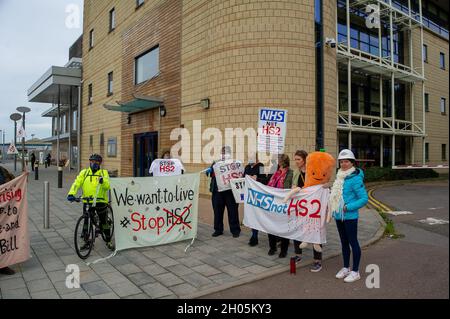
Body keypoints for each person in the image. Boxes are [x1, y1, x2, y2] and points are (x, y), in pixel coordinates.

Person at [329, 149, 368, 283]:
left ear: (352, 163)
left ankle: (355, 271)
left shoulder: (355, 178)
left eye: (346, 161)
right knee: (344, 243)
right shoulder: (340, 176)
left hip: (350, 216)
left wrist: (348, 207)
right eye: (341, 162)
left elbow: (364, 198)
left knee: (353, 243)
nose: (344, 164)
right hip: (339, 216)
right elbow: (337, 194)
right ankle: (346, 267)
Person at [67, 154, 114, 250]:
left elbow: (108, 185)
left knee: (104, 221)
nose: (94, 163)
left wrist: (103, 182)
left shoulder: (103, 173)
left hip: (100, 201)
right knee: (86, 220)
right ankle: (87, 240)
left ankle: (108, 240)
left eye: (96, 162)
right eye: (92, 161)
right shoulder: (84, 173)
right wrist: (71, 193)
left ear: (100, 163)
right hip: (87, 200)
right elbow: (77, 183)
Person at [206, 146, 241, 238]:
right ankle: (218, 229)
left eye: (226, 152)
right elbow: (210, 174)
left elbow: (239, 174)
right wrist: (209, 171)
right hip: (217, 191)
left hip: (230, 191)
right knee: (217, 211)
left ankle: (235, 230)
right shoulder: (216, 162)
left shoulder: (234, 163)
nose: (223, 154)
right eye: (222, 152)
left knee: (233, 211)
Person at [267, 154, 293, 258]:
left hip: (284, 203)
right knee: (270, 226)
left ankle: (284, 249)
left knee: (283, 227)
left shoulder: (291, 173)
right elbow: (269, 184)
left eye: (279, 160)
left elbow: (291, 186)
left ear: (284, 161)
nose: (278, 162)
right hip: (273, 203)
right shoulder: (276, 173)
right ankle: (272, 247)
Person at [244, 153, 269, 247]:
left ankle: (258, 235)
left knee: (258, 215)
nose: (250, 160)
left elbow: (265, 180)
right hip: (249, 195)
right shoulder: (247, 167)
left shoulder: (261, 166)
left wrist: (256, 178)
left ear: (256, 159)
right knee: (251, 214)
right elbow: (243, 177)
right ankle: (254, 236)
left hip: (258, 195)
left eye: (251, 159)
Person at [0, 165, 17, 275]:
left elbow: (13, 182)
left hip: (3, 209)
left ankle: (3, 265)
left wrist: (23, 177)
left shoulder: (2, 170)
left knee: (3, 237)